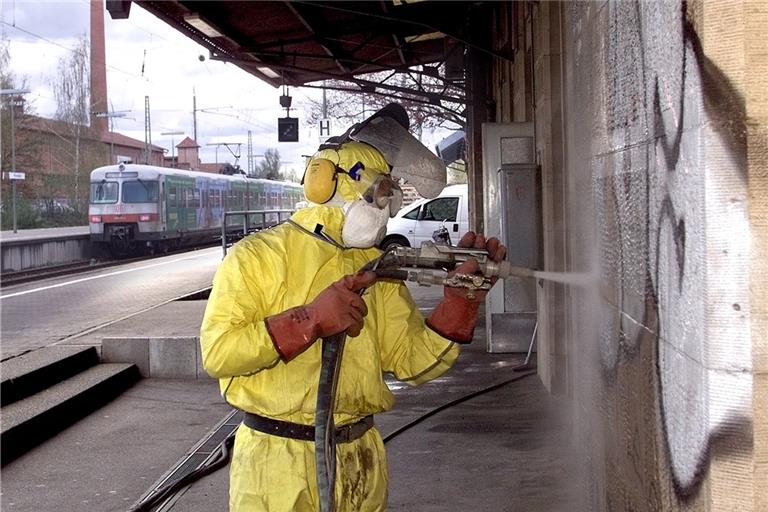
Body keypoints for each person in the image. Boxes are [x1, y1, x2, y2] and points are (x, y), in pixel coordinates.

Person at [200, 104, 507, 511]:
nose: (384, 212)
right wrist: (308, 320)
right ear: (325, 183)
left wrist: (460, 305)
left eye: (388, 198)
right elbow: (219, 353)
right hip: (276, 464)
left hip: (360, 458)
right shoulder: (256, 258)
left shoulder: (376, 272)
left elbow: (412, 361)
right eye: (377, 195)